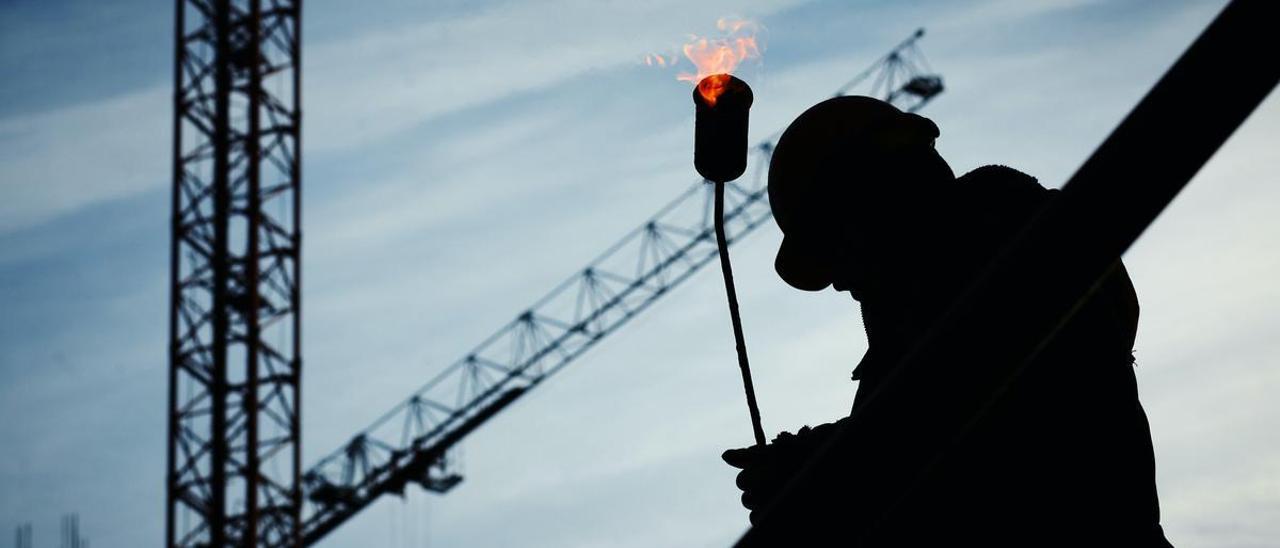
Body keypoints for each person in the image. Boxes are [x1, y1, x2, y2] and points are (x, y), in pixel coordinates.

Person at [722, 96, 1172, 546]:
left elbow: (978, 430)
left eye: (834, 243)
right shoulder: (918, 338)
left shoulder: (1023, 256)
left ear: (877, 197)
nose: (838, 281)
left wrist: (827, 473)